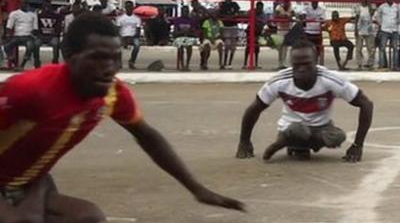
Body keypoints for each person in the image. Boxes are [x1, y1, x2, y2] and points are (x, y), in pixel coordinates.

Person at [0, 13, 245, 223]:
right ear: (70, 57)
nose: (108, 67)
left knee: (88, 217)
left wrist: (197, 189)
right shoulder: (30, 89)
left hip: (27, 181)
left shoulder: (113, 94)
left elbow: (147, 136)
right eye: (97, 58)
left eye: (114, 58)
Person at [235, 39, 373, 161]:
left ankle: (299, 146)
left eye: (307, 64)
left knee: (337, 136)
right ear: (291, 63)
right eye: (297, 65)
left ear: (316, 61)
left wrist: (357, 145)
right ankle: (286, 142)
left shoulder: (330, 80)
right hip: (293, 128)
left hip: (320, 129)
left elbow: (366, 104)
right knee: (299, 131)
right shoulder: (280, 81)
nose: (301, 69)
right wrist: (244, 141)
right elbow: (254, 109)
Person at [2, 0, 40, 70]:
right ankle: (12, 60)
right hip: (17, 36)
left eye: (26, 4)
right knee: (6, 46)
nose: (25, 6)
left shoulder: (33, 15)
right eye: (23, 4)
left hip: (28, 36)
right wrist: (8, 35)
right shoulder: (14, 14)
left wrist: (33, 33)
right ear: (19, 5)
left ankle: (22, 65)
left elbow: (35, 28)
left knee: (30, 46)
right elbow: (9, 27)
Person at [36, 0, 63, 64]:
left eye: (48, 6)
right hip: (41, 36)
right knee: (36, 44)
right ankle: (37, 61)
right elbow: (36, 26)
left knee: (55, 44)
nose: (47, 8)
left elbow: (58, 27)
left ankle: (55, 61)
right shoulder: (39, 15)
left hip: (52, 36)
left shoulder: (56, 15)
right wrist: (39, 34)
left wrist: (55, 35)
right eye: (45, 6)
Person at [116, 0, 141, 70]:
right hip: (122, 36)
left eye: (130, 7)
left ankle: (132, 61)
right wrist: (122, 38)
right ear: (125, 8)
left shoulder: (137, 18)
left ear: (133, 8)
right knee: (117, 46)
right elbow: (117, 30)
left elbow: (138, 31)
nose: (129, 8)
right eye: (127, 7)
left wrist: (132, 37)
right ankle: (119, 63)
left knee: (137, 45)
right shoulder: (120, 18)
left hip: (133, 36)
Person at [376, 0, 399, 70]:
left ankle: (395, 66)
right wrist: (381, 24)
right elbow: (378, 16)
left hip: (394, 30)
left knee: (395, 48)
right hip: (384, 30)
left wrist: (396, 23)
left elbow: (399, 17)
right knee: (382, 48)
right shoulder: (382, 7)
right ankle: (382, 65)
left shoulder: (397, 7)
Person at [172, 6, 198, 71]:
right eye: (183, 11)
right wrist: (182, 32)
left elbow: (194, 32)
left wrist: (188, 33)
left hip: (188, 37)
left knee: (189, 47)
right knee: (180, 47)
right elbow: (175, 32)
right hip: (179, 37)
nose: (185, 13)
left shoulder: (191, 20)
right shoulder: (177, 20)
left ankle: (187, 64)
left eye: (186, 11)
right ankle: (182, 65)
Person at [354, 0, 376, 70]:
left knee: (371, 48)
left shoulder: (372, 6)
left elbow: (371, 13)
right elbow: (356, 18)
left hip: (369, 30)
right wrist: (355, 30)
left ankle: (370, 63)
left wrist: (369, 4)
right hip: (360, 29)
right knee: (358, 48)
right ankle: (359, 63)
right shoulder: (358, 7)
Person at [242, 1, 265, 69]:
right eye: (259, 8)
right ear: (256, 7)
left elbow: (263, 22)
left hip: (258, 31)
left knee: (257, 48)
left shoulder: (262, 14)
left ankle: (256, 64)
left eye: (261, 8)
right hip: (250, 30)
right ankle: (245, 63)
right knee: (248, 47)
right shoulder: (251, 11)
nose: (260, 9)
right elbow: (246, 18)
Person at [219, 0, 240, 70]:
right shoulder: (222, 5)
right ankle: (224, 63)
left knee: (233, 47)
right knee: (227, 45)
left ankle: (230, 63)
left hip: (233, 26)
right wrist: (226, 17)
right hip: (225, 26)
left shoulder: (235, 4)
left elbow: (237, 13)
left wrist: (232, 16)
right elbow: (220, 14)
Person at [274, 0, 294, 69]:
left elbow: (293, 17)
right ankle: (280, 63)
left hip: (288, 29)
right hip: (280, 29)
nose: (287, 4)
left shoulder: (291, 8)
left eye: (288, 2)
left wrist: (288, 17)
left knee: (285, 47)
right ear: (283, 3)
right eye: (285, 2)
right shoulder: (278, 8)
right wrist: (283, 17)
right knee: (280, 47)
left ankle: (284, 63)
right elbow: (275, 17)